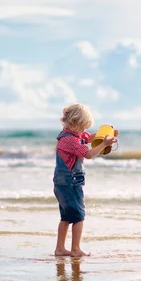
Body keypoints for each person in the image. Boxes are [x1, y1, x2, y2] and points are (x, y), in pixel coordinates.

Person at [53, 104, 118, 257]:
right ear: (76, 123)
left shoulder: (69, 134)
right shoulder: (71, 140)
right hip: (71, 181)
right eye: (83, 127)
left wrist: (105, 135)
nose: (84, 131)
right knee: (79, 216)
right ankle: (75, 249)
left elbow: (88, 137)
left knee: (66, 217)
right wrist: (104, 144)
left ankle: (60, 248)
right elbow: (88, 154)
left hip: (61, 182)